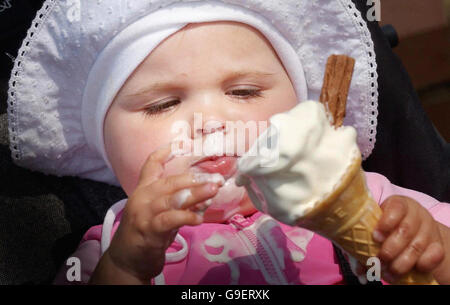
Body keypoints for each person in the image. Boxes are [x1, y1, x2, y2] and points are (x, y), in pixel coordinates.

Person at [7, 0, 450, 285]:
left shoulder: (371, 197)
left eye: (243, 93)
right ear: (106, 149)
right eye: (163, 104)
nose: (210, 122)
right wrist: (124, 268)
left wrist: (431, 246)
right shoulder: (114, 246)